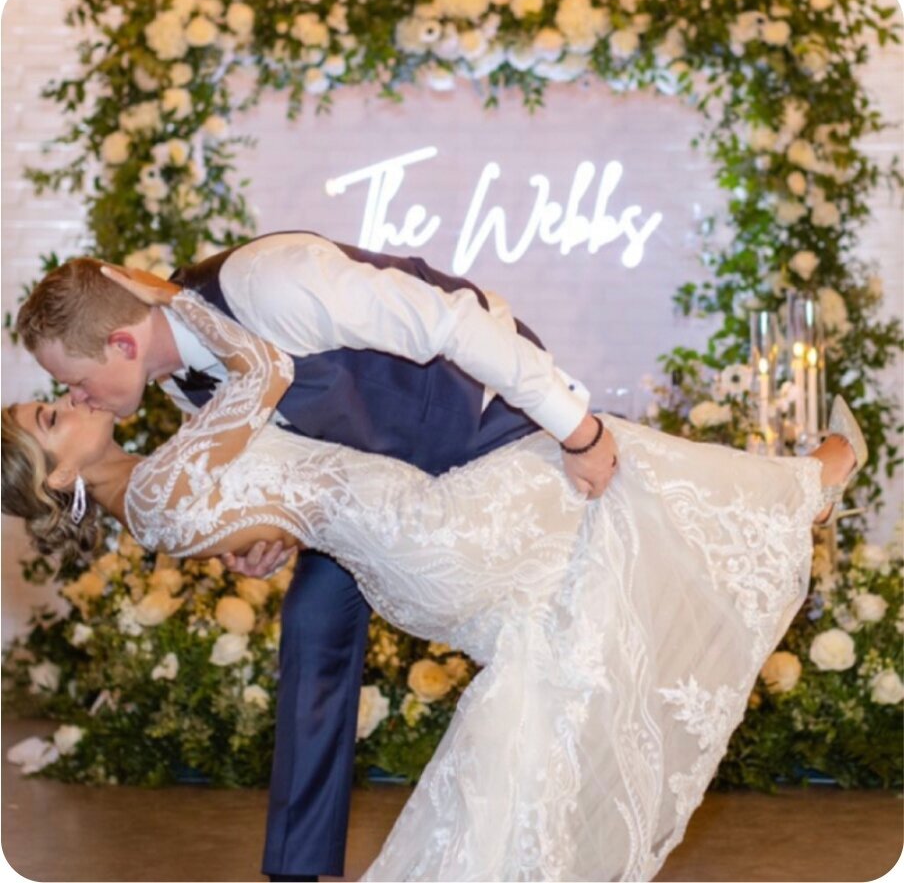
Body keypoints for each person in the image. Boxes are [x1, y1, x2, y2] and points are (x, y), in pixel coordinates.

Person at [2, 274, 867, 881]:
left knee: (559, 654)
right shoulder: (155, 485)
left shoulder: (153, 490)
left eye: (58, 391)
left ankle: (518, 859)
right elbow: (265, 372)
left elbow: (271, 500)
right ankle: (807, 491)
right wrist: (163, 299)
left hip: (409, 550)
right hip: (430, 535)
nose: (71, 399)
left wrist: (263, 534)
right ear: (54, 485)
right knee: (613, 469)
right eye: (52, 414)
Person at [10, 231, 618, 882]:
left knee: (553, 616)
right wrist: (268, 530)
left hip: (478, 419)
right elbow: (279, 454)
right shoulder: (177, 388)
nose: (76, 395)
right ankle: (297, 870)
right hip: (378, 496)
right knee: (313, 622)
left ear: (121, 344)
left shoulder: (268, 282)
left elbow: (452, 322)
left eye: (73, 380)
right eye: (61, 395)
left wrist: (577, 428)